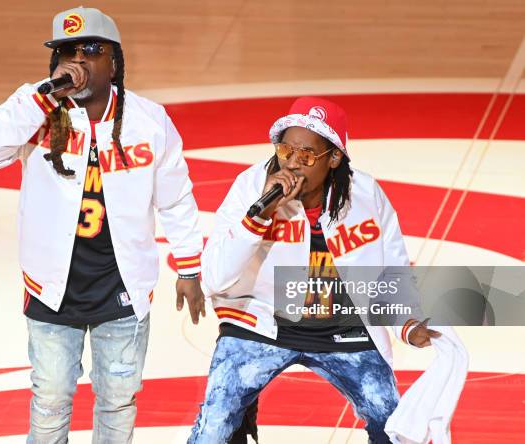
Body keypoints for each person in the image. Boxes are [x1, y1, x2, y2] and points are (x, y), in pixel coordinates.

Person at [0, 7, 205, 443]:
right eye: (65, 51)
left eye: (90, 50)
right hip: (51, 288)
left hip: (122, 289)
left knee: (118, 401)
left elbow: (176, 198)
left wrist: (189, 268)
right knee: (50, 400)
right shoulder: (36, 109)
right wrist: (42, 96)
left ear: (113, 61)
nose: (76, 61)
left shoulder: (149, 121)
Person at [189, 97, 441, 443]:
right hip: (262, 323)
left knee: (393, 425)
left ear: (334, 157)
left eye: (306, 155)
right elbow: (215, 277)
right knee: (214, 428)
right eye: (284, 150)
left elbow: (391, 273)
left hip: (345, 328)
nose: (291, 164)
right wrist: (258, 216)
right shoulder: (251, 188)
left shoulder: (366, 196)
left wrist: (407, 325)